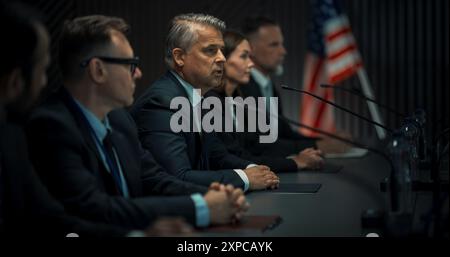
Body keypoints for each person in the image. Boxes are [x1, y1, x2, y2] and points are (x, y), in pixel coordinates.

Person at [26, 14, 248, 232]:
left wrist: (213, 197)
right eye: (130, 64)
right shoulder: (51, 126)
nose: (139, 73)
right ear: (98, 70)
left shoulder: (120, 119)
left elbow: (155, 179)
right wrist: (202, 207)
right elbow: (94, 207)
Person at [0, 1, 142, 237]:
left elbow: (55, 221)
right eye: (42, 69)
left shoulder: (10, 139)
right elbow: (89, 208)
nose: (44, 82)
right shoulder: (48, 126)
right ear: (15, 81)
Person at [130, 13, 280, 191]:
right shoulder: (162, 101)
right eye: (210, 50)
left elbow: (217, 155)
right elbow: (176, 176)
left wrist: (252, 168)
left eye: (221, 50)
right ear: (179, 57)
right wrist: (245, 178)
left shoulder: (200, 97)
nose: (222, 58)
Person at [204, 30, 324, 172]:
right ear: (221, 60)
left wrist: (302, 155)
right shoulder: (211, 101)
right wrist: (294, 162)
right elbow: (238, 158)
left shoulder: (237, 100)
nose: (251, 64)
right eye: (244, 57)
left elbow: (256, 148)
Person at [240, 16, 350, 157]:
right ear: (250, 49)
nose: (283, 51)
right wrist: (317, 145)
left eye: (282, 44)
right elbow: (260, 144)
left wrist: (325, 140)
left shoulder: (269, 87)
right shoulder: (241, 88)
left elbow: (285, 134)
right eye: (274, 45)